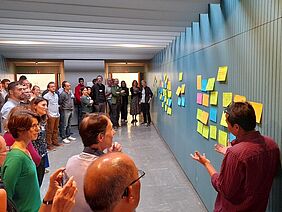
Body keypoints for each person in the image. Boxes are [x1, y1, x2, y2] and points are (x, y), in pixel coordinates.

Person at [191, 102, 280, 212]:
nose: (227, 127)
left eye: (227, 124)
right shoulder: (272, 145)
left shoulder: (235, 154)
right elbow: (272, 172)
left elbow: (224, 190)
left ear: (236, 127)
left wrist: (206, 163)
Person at [65, 113, 122, 212]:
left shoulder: (71, 162)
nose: (114, 133)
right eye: (111, 129)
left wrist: (108, 157)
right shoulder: (108, 170)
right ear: (100, 137)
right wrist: (114, 160)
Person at [31, 97, 50, 186]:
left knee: (40, 181)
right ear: (35, 106)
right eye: (43, 105)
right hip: (33, 155)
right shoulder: (31, 120)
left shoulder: (43, 120)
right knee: (35, 183)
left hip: (42, 154)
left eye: (46, 105)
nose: (46, 107)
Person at [43, 82, 61, 150]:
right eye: (51, 87)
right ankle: (49, 144)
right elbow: (45, 106)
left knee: (56, 129)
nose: (53, 88)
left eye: (54, 86)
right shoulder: (46, 96)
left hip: (57, 114)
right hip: (50, 115)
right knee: (49, 130)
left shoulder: (56, 95)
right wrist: (47, 114)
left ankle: (55, 142)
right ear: (48, 88)